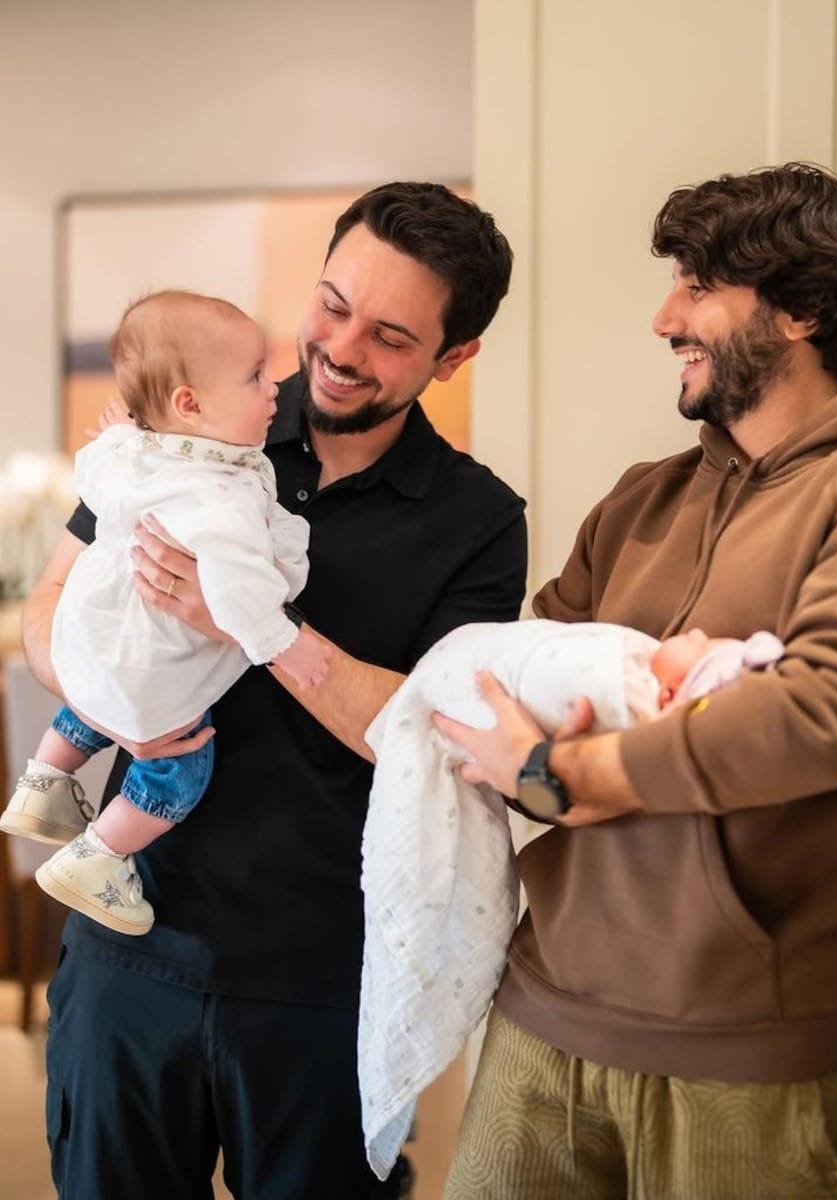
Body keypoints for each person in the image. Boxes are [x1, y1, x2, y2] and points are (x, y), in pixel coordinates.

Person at [435, 163, 837, 1200]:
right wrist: (539, 767)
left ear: (803, 310)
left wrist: (572, 773)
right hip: (544, 1016)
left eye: (698, 285)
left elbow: (827, 714)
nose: (664, 316)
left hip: (759, 1050)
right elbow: (513, 690)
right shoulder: (641, 499)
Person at [25, 182, 527, 1199]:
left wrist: (256, 632)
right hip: (131, 954)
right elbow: (50, 608)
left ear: (453, 357)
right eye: (333, 304)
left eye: (390, 335)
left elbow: (434, 739)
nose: (340, 348)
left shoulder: (477, 522)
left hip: (322, 980)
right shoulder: (191, 425)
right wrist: (116, 700)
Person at [360, 621, 783, 1179]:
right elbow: (524, 735)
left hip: (735, 1032)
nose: (698, 630)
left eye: (703, 648)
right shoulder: (615, 531)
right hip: (543, 1004)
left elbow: (818, 728)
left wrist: (561, 772)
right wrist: (544, 778)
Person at [1, 290, 331, 935]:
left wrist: (122, 433)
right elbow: (241, 598)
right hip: (151, 664)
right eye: (256, 377)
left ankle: (43, 780)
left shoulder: (133, 452)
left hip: (88, 638)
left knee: (102, 691)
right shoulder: (221, 499)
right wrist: (282, 642)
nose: (274, 391)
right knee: (181, 763)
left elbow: (93, 466)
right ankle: (100, 855)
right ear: (191, 403)